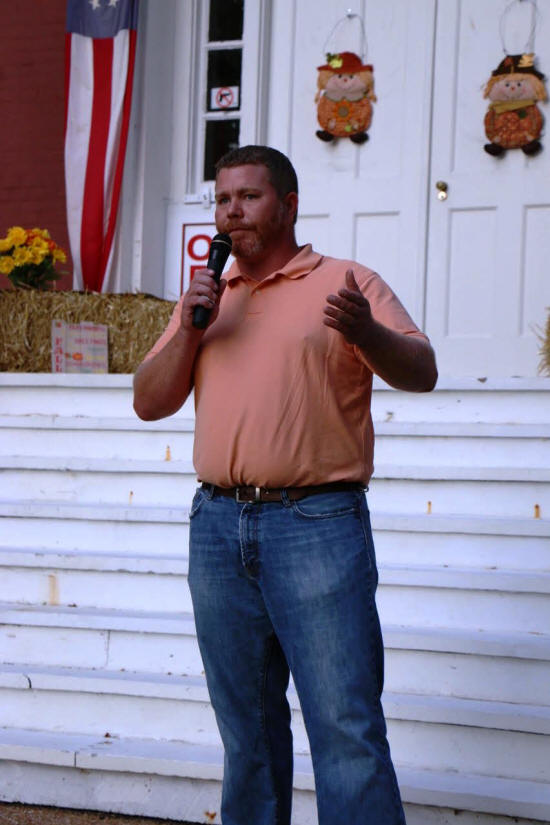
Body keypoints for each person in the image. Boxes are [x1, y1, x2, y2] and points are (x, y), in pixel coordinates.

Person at [133, 145, 437, 825]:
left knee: (345, 727)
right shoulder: (208, 298)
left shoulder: (347, 281)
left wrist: (367, 333)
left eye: (248, 196)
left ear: (289, 205)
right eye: (222, 199)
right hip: (218, 528)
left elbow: (422, 370)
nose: (231, 212)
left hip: (316, 525)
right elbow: (148, 401)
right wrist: (189, 327)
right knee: (246, 732)